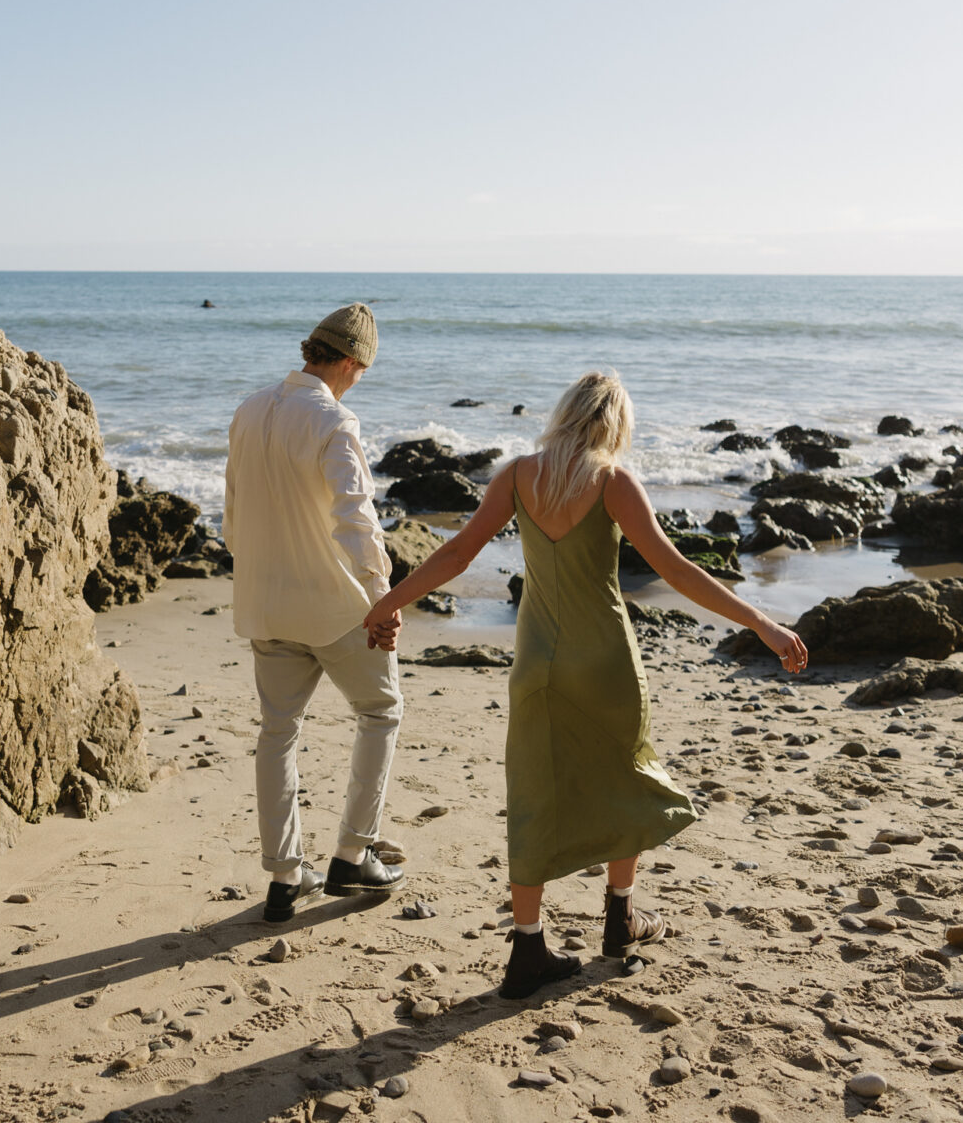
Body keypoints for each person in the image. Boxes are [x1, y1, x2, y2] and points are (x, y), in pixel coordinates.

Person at [364, 370, 808, 997]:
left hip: (537, 661)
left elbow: (456, 554)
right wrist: (760, 621)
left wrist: (387, 603)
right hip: (606, 660)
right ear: (614, 424)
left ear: (566, 412)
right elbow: (675, 569)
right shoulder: (611, 481)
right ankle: (621, 916)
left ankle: (527, 950)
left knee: (533, 793)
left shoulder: (519, 474)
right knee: (626, 773)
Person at [223, 303, 406, 924]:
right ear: (351, 362)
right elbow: (355, 518)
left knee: (278, 733)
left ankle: (284, 877)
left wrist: (255, 575)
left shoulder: (249, 408)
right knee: (380, 713)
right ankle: (352, 854)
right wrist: (383, 597)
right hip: (333, 608)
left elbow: (232, 514)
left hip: (265, 602)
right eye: (361, 370)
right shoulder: (334, 419)